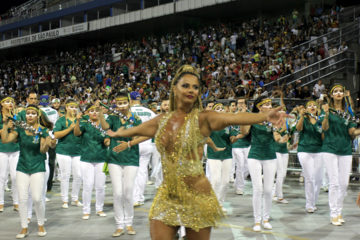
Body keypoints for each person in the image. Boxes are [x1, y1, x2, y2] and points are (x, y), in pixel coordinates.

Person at [107, 65, 287, 240]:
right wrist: (118, 134)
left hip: (197, 195)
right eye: (185, 85)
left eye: (195, 87)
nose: (191, 90)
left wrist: (264, 116)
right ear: (174, 89)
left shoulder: (204, 118)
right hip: (167, 195)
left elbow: (234, 118)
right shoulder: (161, 120)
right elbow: (138, 130)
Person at [1, 104, 55, 238]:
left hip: (37, 166)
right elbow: (5, 140)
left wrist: (48, 144)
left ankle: (40, 224)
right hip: (22, 166)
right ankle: (24, 227)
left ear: (38, 116)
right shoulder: (20, 129)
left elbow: (43, 150)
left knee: (37, 198)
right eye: (28, 113)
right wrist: (5, 126)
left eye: (32, 113)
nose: (30, 115)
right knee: (23, 198)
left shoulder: (42, 130)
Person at [100, 93, 147, 237]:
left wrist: (129, 142)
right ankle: (119, 225)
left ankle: (129, 223)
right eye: (118, 103)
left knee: (128, 192)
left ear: (129, 103)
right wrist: (101, 114)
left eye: (124, 103)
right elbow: (106, 129)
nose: (121, 106)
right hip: (114, 158)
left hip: (131, 158)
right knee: (117, 193)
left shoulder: (136, 119)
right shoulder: (113, 118)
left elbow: (142, 135)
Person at [240, 97, 288, 232]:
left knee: (268, 190)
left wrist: (281, 139)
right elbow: (244, 132)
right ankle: (257, 220)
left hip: (270, 156)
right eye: (266, 104)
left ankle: (265, 219)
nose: (269, 106)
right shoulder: (253, 118)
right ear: (259, 107)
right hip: (254, 156)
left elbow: (276, 136)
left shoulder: (272, 120)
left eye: (270, 104)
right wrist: (244, 116)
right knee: (258, 189)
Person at [320, 84, 360, 226]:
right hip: (330, 149)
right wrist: (325, 114)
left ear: (343, 94)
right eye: (335, 91)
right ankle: (334, 213)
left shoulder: (349, 112)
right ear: (331, 95)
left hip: (345, 149)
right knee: (334, 183)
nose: (338, 93)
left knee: (344, 183)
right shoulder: (327, 110)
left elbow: (352, 132)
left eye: (340, 91)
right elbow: (324, 128)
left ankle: (339, 210)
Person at [74, 103, 109, 220]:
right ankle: (86, 210)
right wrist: (77, 121)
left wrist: (109, 141)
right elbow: (76, 133)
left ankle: (99, 209)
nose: (94, 113)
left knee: (100, 186)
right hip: (86, 159)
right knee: (87, 186)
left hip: (102, 158)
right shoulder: (85, 124)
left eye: (96, 110)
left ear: (100, 112)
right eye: (91, 111)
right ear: (87, 113)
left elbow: (107, 141)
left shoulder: (104, 126)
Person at [0, 96, 20, 212]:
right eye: (7, 102)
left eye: (12, 102)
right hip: (1, 149)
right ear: (2, 104)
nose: (10, 104)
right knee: (2, 176)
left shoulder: (16, 116)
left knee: (15, 177)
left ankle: (16, 202)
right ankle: (1, 202)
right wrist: (5, 127)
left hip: (15, 148)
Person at [53, 98, 83, 208]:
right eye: (71, 107)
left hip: (78, 151)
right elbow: (56, 135)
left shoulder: (81, 120)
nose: (73, 109)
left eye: (75, 107)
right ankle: (65, 200)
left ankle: (75, 198)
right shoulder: (61, 120)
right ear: (66, 107)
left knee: (79, 176)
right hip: (63, 151)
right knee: (65, 176)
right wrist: (70, 128)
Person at [130, 91, 157, 207]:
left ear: (130, 100)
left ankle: (132, 197)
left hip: (132, 143)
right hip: (146, 144)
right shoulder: (149, 112)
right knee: (142, 171)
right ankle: (139, 197)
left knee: (130, 171)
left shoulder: (129, 111)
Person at [296, 101, 323, 213]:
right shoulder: (304, 119)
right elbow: (298, 128)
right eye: (310, 105)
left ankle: (313, 201)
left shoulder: (320, 120)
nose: (312, 107)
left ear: (317, 108)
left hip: (319, 151)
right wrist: (302, 116)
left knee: (318, 179)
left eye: (314, 105)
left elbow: (323, 136)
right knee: (310, 178)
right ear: (306, 108)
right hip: (304, 150)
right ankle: (309, 204)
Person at [230, 98, 251, 195]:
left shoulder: (250, 115)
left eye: (242, 103)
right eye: (239, 103)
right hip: (237, 144)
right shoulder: (234, 115)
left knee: (247, 167)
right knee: (240, 165)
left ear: (246, 105)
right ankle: (240, 187)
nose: (240, 105)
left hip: (247, 143)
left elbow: (247, 131)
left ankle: (238, 181)